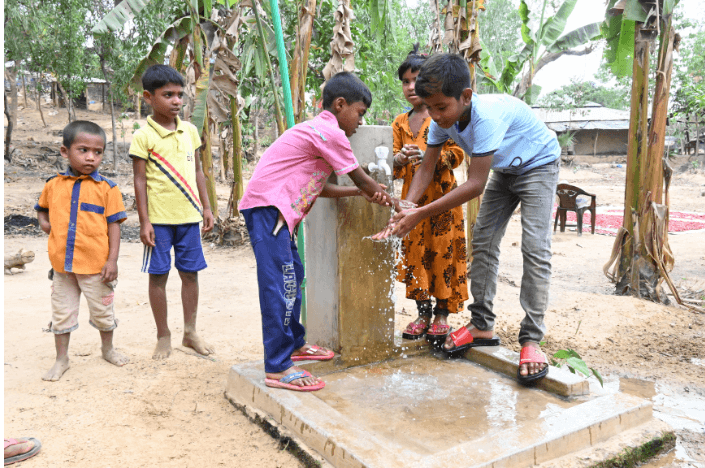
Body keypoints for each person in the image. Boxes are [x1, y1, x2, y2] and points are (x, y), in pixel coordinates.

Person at [373, 54, 560, 385]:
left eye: (441, 107)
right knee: (483, 242)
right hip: (506, 168)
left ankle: (532, 340)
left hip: (538, 164)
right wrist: (405, 208)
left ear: (466, 96)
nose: (435, 116)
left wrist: (419, 213)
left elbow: (474, 185)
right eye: (430, 108)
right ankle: (482, 325)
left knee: (534, 247)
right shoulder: (441, 121)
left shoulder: (486, 118)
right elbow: (426, 169)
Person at [239, 71, 398, 392]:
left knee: (293, 276)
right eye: (360, 113)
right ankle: (277, 367)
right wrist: (387, 198)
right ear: (340, 105)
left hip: (276, 212)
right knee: (279, 286)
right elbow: (360, 176)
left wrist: (360, 192)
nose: (361, 122)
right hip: (268, 209)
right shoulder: (330, 132)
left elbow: (320, 187)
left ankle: (294, 344)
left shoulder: (316, 131)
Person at [130, 65, 216, 360]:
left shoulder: (190, 131)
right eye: (168, 95)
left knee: (190, 274)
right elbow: (139, 180)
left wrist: (206, 207)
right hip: (159, 222)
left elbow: (198, 171)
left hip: (189, 218)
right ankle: (163, 335)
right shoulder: (143, 136)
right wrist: (144, 221)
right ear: (148, 97)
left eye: (180, 94)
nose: (176, 100)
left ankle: (190, 332)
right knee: (158, 276)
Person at [35, 120, 130, 381]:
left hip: (96, 267)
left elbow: (114, 226)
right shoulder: (53, 185)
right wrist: (44, 224)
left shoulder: (108, 189)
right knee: (61, 313)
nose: (91, 157)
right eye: (83, 150)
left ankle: (107, 349)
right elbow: (41, 208)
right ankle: (61, 359)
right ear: (65, 151)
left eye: (98, 152)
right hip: (62, 267)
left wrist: (112, 261)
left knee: (102, 311)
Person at [391, 46, 469, 345]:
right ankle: (422, 314)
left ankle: (442, 316)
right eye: (405, 81)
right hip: (412, 201)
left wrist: (430, 157)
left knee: (443, 255)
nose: (411, 87)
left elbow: (458, 153)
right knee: (416, 257)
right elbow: (394, 163)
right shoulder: (400, 122)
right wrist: (399, 159)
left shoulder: (444, 116)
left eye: (416, 80)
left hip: (442, 201)